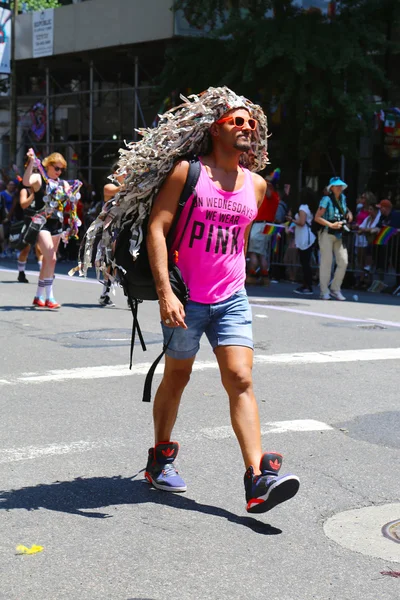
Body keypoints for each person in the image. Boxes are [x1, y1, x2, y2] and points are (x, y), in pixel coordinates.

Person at [144, 88, 300, 514]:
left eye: (251, 122)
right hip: (185, 299)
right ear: (216, 128)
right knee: (177, 379)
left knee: (241, 379)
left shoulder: (257, 184)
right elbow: (157, 228)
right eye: (237, 120)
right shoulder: (187, 173)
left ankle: (257, 478)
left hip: (231, 298)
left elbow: (239, 241)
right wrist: (165, 293)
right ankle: (160, 457)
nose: (246, 126)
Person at [22, 149, 71, 309]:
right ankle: (50, 296)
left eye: (61, 169)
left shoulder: (63, 183)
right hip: (41, 223)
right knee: (52, 257)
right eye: (56, 168)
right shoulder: (40, 179)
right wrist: (31, 162)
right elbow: (26, 181)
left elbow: (69, 203)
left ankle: (38, 296)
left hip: (57, 224)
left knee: (48, 262)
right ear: (48, 166)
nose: (59, 171)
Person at [314, 177, 353, 300]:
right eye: (337, 186)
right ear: (331, 188)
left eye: (340, 186)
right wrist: (331, 225)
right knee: (326, 263)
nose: (339, 188)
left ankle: (335, 289)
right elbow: (317, 217)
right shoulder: (326, 199)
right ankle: (324, 291)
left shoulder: (343, 198)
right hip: (326, 233)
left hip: (339, 234)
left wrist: (349, 213)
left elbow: (344, 209)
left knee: (343, 261)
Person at [246, 180, 280, 285]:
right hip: (266, 226)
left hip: (261, 225)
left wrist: (265, 182)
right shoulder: (275, 197)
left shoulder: (272, 195)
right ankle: (264, 276)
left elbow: (268, 192)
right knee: (261, 254)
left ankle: (251, 276)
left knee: (252, 252)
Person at [289, 187, 317, 295]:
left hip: (304, 236)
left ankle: (307, 285)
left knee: (305, 262)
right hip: (306, 235)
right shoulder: (309, 208)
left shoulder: (303, 207)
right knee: (306, 261)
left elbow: (301, 222)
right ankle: (306, 284)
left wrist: (291, 220)